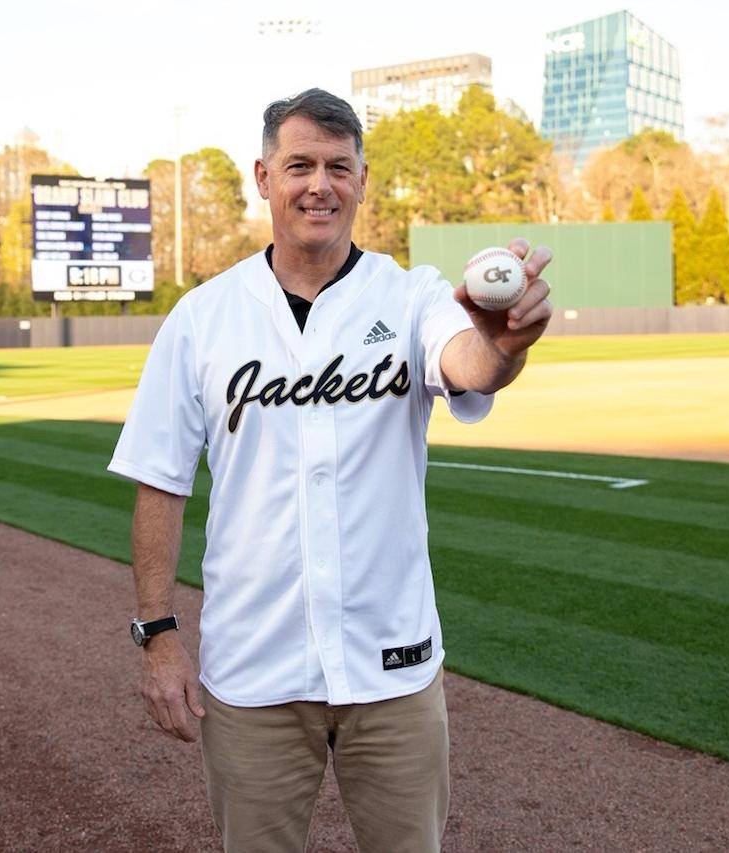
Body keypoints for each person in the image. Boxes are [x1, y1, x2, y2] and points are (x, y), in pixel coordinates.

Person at [108, 87, 553, 852]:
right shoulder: (204, 317)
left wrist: (504, 343)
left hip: (393, 673)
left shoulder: (410, 296)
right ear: (263, 176)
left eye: (338, 166)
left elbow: (470, 365)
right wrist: (159, 637)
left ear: (361, 180)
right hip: (254, 674)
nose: (320, 183)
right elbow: (160, 480)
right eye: (300, 164)